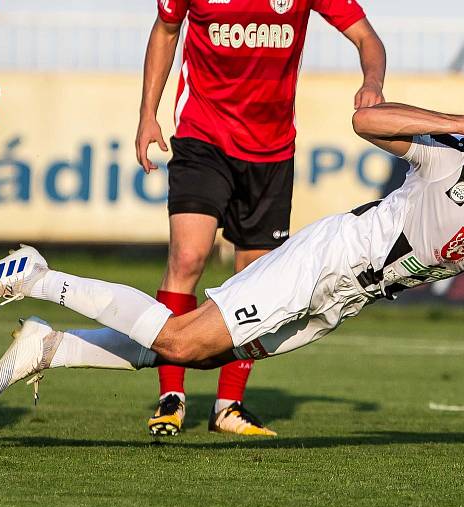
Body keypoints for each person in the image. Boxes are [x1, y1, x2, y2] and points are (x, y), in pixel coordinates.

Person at [0, 80, 464, 415]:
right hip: (326, 259)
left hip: (345, 298)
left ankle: (51, 346)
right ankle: (39, 277)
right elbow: (366, 120)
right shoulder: (450, 157)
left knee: (202, 354)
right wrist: (460, 121)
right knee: (181, 340)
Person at [70, 0, 386, 436]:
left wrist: (372, 82)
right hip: (203, 137)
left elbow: (367, 36)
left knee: (256, 279)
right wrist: (148, 113)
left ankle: (228, 406)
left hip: (272, 152)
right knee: (187, 257)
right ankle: (171, 395)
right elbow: (165, 30)